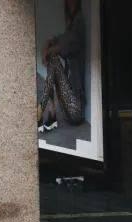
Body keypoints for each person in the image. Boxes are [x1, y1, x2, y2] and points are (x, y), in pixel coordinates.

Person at [38, 0, 85, 133]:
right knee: (52, 62)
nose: (69, 3)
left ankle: (43, 109)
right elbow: (59, 39)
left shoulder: (79, 24)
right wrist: (48, 43)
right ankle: (50, 111)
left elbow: (66, 43)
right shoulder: (71, 28)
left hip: (76, 110)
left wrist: (48, 51)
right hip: (67, 109)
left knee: (53, 60)